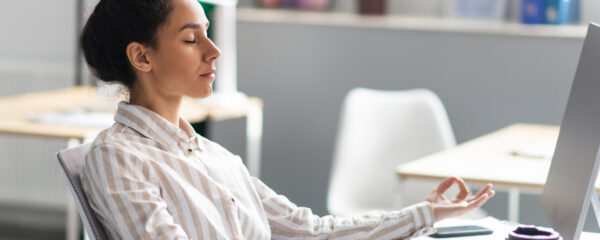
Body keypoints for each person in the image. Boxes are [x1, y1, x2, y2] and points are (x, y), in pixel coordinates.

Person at [79, 0, 496, 239]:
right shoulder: (119, 157)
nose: (214, 50)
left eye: (208, 33)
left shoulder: (214, 157)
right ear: (141, 56)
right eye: (191, 39)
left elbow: (310, 230)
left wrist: (426, 213)